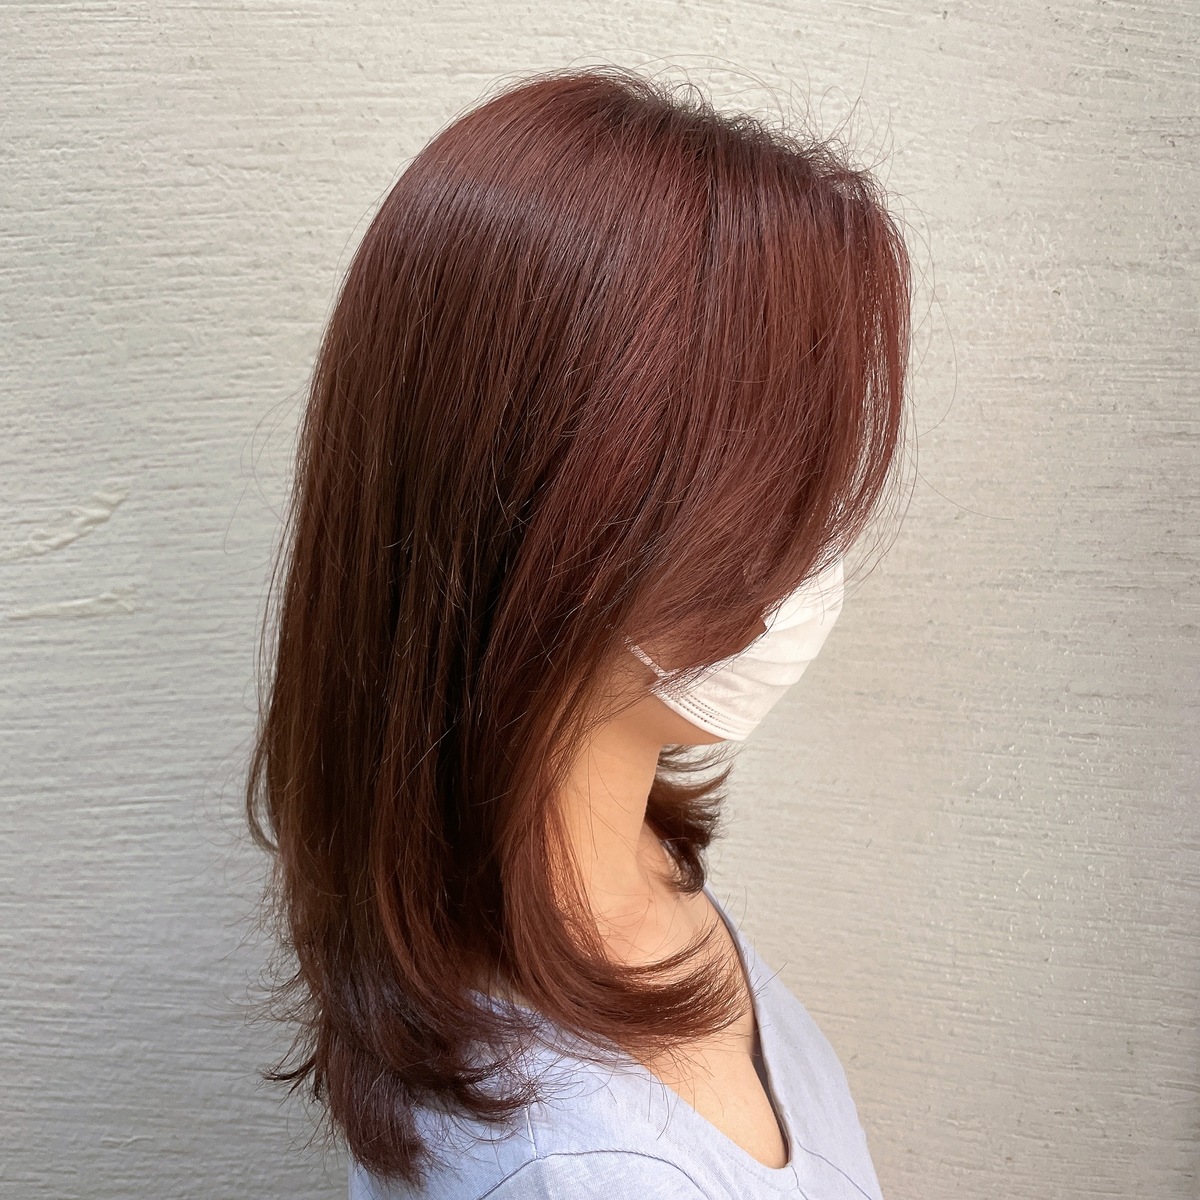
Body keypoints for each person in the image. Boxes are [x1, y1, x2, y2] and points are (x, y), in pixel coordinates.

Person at [245, 63, 911, 1199]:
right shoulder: (579, 1171)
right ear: (571, 535)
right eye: (783, 497)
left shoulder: (613, 864)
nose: (815, 555)